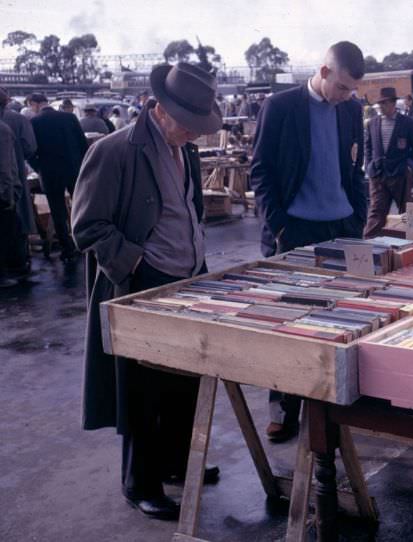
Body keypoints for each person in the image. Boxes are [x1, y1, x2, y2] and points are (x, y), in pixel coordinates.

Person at [71, 62, 223, 521]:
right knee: (142, 390)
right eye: (188, 124)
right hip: (142, 284)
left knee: (184, 380)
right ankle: (140, 483)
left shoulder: (186, 150)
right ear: (159, 109)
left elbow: (186, 209)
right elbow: (86, 225)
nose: (193, 135)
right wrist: (135, 262)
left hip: (188, 278)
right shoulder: (115, 150)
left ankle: (176, 463)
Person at [250, 41, 367, 441]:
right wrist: (280, 228)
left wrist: (358, 220)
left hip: (341, 229)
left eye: (353, 90)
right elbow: (260, 172)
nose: (347, 96)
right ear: (323, 71)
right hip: (295, 231)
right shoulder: (281, 107)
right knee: (289, 325)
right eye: (343, 87)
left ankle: (330, 408)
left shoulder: (351, 109)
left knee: (339, 321)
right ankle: (282, 410)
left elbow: (356, 170)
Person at [29, 94, 88, 261]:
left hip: (50, 173)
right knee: (80, 206)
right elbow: (83, 144)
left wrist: (38, 167)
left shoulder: (34, 122)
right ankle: (85, 242)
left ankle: (67, 248)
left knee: (57, 211)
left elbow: (30, 151)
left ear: (34, 104)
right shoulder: (69, 117)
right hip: (73, 170)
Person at [363, 87, 413, 238]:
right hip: (378, 174)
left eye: (384, 103)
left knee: (407, 213)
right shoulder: (372, 123)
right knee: (376, 212)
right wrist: (369, 165)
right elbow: (368, 146)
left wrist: (409, 166)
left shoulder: (408, 122)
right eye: (379, 103)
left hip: (400, 174)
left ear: (392, 103)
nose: (381, 106)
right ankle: (368, 245)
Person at [0, 86, 37, 280]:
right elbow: (29, 147)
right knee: (15, 222)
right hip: (10, 182)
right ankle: (17, 264)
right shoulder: (15, 122)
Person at [0, 121, 21, 287]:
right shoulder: (3, 130)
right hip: (2, 192)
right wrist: (9, 196)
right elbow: (4, 167)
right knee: (6, 234)